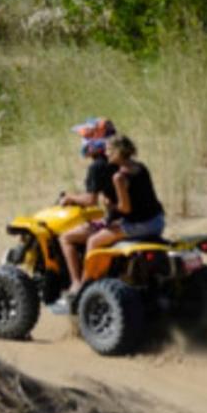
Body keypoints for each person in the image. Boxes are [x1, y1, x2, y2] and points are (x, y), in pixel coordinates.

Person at [52, 134, 165, 313]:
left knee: (93, 241)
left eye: (109, 150)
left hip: (137, 225)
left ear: (119, 152)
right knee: (102, 229)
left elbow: (126, 209)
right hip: (157, 221)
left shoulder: (119, 177)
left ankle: (84, 287)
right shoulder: (141, 167)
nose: (106, 153)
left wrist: (110, 205)